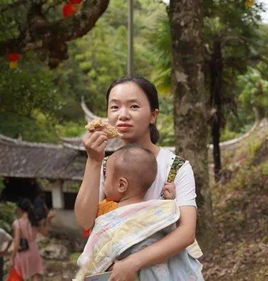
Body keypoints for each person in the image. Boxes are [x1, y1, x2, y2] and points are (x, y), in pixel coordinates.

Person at [74, 76, 199, 281]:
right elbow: (85, 220)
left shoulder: (176, 167)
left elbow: (186, 233)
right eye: (114, 107)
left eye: (133, 106)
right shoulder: (106, 165)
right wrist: (94, 162)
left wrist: (133, 263)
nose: (122, 115)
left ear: (153, 115)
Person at [76, 144, 203, 281]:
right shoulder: (160, 210)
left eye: (106, 178)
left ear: (121, 185)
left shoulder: (110, 213)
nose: (104, 182)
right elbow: (171, 221)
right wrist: (171, 200)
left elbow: (97, 250)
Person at [10, 199, 50, 281]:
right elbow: (46, 233)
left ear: (20, 209)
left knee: (19, 275)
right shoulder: (34, 221)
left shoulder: (17, 223)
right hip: (34, 250)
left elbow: (17, 241)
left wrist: (12, 257)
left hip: (23, 252)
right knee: (35, 275)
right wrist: (48, 220)